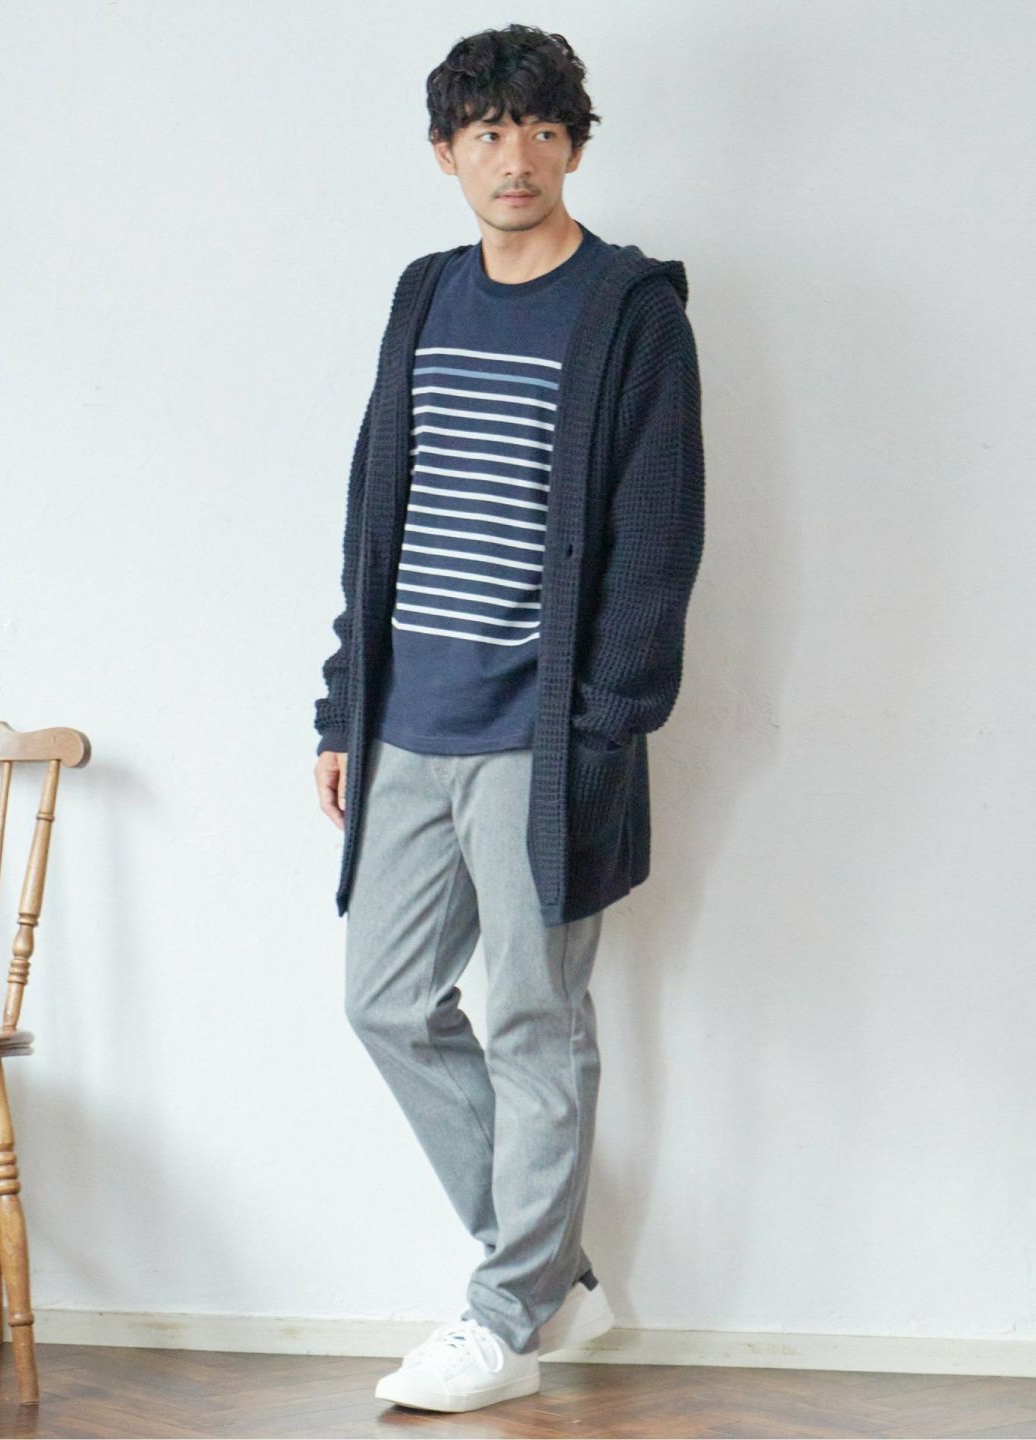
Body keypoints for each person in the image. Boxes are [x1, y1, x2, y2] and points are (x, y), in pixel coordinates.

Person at [312, 23, 705, 1414]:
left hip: (541, 739)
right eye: (486, 132)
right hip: (407, 724)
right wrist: (343, 706)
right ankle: (547, 1278)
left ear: (574, 145)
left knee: (536, 1016)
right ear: (447, 153)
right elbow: (378, 509)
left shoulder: (631, 312)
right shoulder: (424, 294)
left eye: (541, 129)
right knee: (384, 1001)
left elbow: (658, 542)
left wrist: (601, 732)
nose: (515, 156)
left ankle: (504, 1319)